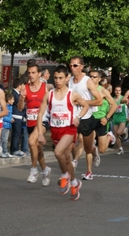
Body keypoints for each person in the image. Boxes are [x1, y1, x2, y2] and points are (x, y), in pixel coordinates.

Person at [37, 65, 89, 200]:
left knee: (57, 152)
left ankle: (64, 175)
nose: (58, 81)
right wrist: (40, 133)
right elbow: (40, 113)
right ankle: (74, 183)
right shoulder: (49, 95)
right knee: (66, 159)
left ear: (67, 78)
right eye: (55, 78)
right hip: (55, 130)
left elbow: (86, 105)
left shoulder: (73, 94)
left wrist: (78, 117)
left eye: (61, 78)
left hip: (69, 129)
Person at [68, 56, 102, 178]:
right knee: (72, 143)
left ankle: (94, 151)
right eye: (71, 65)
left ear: (82, 66)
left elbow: (99, 101)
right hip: (73, 117)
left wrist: (82, 102)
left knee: (88, 148)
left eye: (75, 65)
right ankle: (74, 162)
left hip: (86, 118)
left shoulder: (87, 81)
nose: (72, 68)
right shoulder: (70, 81)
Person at [18, 63, 51, 185]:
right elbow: (20, 108)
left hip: (42, 120)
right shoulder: (25, 88)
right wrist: (21, 98)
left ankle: (33, 170)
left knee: (31, 141)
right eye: (29, 73)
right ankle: (45, 170)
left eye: (33, 73)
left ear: (39, 74)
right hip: (30, 121)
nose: (30, 75)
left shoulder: (45, 87)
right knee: (37, 148)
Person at [81, 70, 117, 180]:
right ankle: (89, 172)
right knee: (88, 147)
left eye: (94, 77)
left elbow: (114, 105)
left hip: (101, 120)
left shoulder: (103, 91)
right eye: (90, 76)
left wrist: (107, 118)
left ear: (99, 79)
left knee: (102, 150)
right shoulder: (85, 91)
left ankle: (110, 136)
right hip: (89, 119)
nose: (92, 78)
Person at [10, 76, 29, 156]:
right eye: (22, 85)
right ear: (19, 85)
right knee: (16, 133)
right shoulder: (15, 94)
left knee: (18, 133)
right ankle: (15, 149)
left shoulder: (16, 93)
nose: (23, 87)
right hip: (16, 116)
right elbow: (20, 105)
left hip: (20, 117)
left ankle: (17, 149)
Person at [112, 85, 127, 155]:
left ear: (121, 91)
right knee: (116, 135)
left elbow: (128, 103)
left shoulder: (123, 98)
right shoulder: (112, 99)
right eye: (116, 90)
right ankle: (120, 148)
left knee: (118, 132)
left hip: (122, 118)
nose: (117, 92)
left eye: (119, 90)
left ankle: (125, 132)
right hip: (115, 118)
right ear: (114, 91)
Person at [0, 93, 14, 158]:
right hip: (4, 126)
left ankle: (5, 151)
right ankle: (2, 152)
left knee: (5, 140)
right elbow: (2, 116)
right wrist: (9, 120)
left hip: (8, 126)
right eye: (12, 99)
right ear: (8, 100)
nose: (13, 101)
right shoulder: (3, 107)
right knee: (3, 140)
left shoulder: (10, 107)